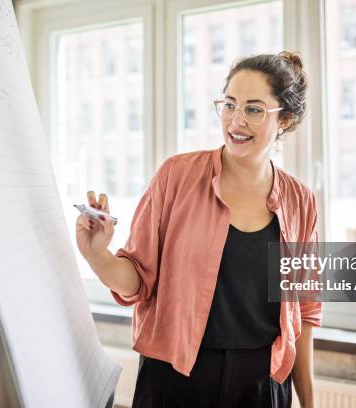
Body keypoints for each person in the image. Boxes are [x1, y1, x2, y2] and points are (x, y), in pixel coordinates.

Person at [75, 51, 322, 408]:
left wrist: (309, 403)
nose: (236, 121)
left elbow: (305, 311)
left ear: (283, 120)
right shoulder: (177, 176)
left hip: (262, 385)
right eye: (230, 105)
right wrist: (96, 254)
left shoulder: (301, 201)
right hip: (175, 377)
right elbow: (137, 281)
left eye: (254, 109)